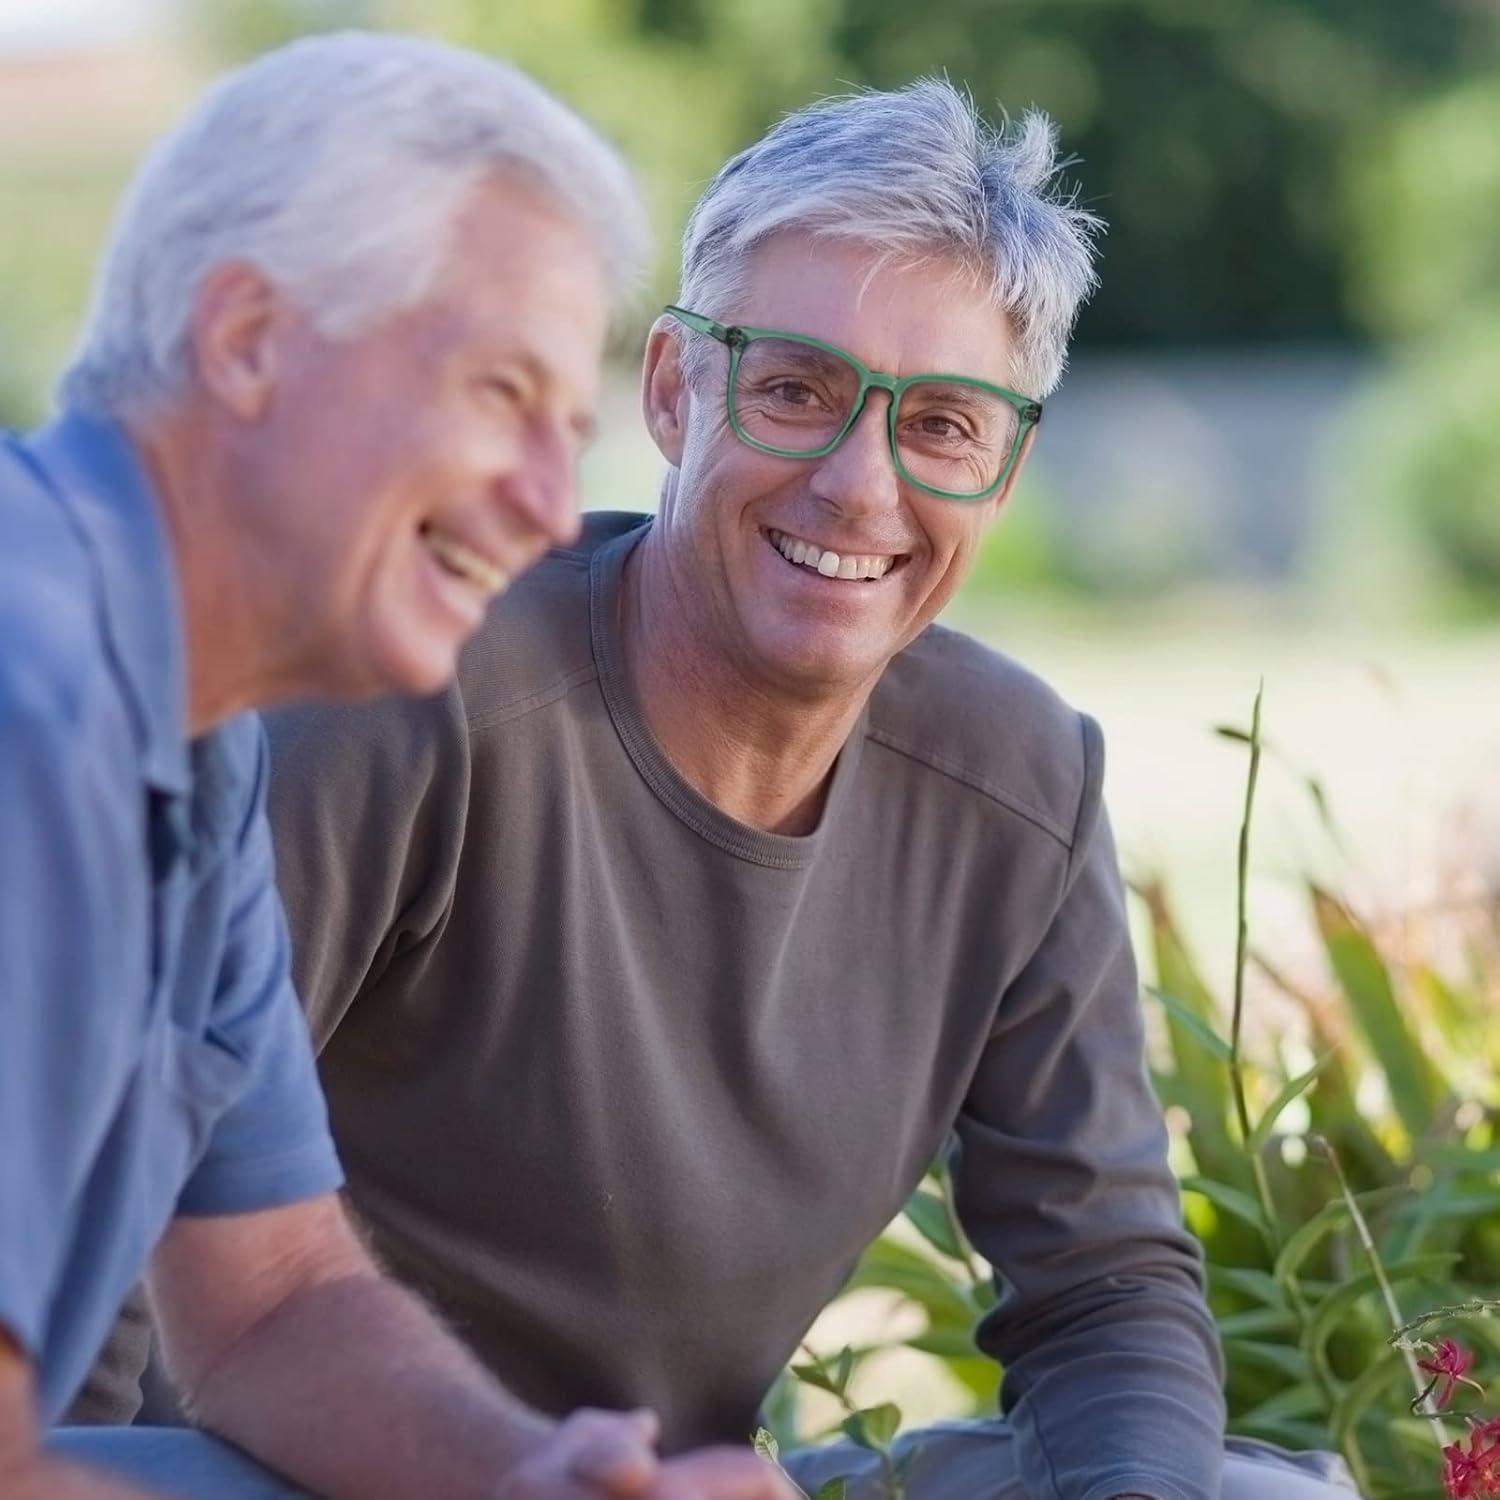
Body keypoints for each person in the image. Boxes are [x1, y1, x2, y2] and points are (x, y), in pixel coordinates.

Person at [100, 81, 1356, 1498]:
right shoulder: (412, 696)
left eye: (944, 423)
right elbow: (110, 1188)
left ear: (1005, 469)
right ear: (670, 389)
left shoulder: (1022, 785)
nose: (860, 486)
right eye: (796, 389)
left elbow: (1105, 1288)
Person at [1, 29, 791, 1500]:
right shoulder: (32, 701)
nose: (553, 507)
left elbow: (275, 1301)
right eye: (500, 393)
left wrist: (530, 1479)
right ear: (247, 340)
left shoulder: (193, 743)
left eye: (571, 430)